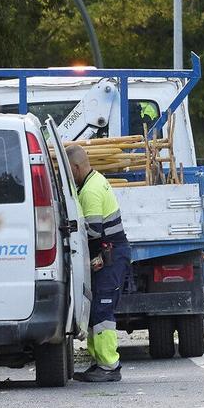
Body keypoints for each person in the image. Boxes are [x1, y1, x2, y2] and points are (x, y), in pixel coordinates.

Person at [66, 144, 129, 383]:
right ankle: (100, 362)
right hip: (111, 253)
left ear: (76, 167)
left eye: (69, 171)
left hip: (110, 255)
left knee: (102, 311)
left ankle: (109, 366)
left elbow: (92, 231)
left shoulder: (90, 191)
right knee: (96, 310)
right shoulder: (94, 181)